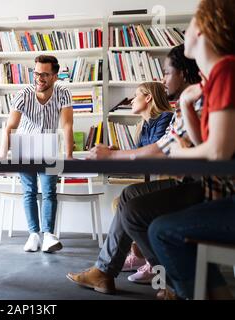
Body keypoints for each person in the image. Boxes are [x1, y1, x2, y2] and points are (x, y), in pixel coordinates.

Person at [67, 45, 204, 296]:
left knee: (131, 209)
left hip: (200, 185)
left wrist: (112, 155)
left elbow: (164, 150)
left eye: (166, 72)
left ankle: (173, 281)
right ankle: (105, 272)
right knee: (129, 197)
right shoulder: (184, 104)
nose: (163, 80)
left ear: (183, 73)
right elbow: (166, 148)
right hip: (187, 180)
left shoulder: (192, 103)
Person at [149, 0, 235, 300]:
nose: (185, 31)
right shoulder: (218, 78)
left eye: (190, 24)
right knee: (175, 230)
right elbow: (207, 149)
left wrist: (178, 152)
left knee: (162, 230)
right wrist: (186, 104)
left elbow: (216, 153)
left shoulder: (226, 71)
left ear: (204, 30)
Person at [0, 55, 74, 253]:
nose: (39, 78)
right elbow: (10, 127)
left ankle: (48, 234)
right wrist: (2, 156)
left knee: (49, 191)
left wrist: (69, 155)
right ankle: (33, 235)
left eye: (45, 75)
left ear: (55, 76)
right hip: (24, 144)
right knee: (29, 191)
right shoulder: (24, 94)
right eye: (37, 73)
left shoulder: (63, 93)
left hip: (48, 144)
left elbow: (67, 124)